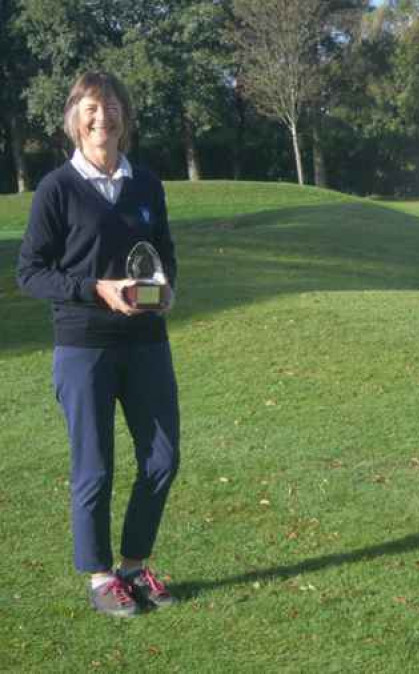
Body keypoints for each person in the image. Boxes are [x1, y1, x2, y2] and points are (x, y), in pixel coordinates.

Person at [17, 72, 181, 618]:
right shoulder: (56, 188)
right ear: (74, 117)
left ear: (124, 117)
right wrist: (94, 289)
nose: (101, 118)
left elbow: (163, 251)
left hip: (147, 341)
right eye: (91, 108)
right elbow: (31, 273)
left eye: (110, 107)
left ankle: (134, 566)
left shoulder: (147, 184)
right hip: (83, 344)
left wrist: (167, 289)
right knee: (95, 467)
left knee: (162, 459)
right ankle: (99, 576)